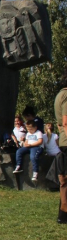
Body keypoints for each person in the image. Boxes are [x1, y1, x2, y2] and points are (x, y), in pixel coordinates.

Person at [53, 71, 67, 224]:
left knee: (65, 181)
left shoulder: (60, 95)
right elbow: (65, 122)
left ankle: (63, 216)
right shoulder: (66, 96)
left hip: (64, 142)